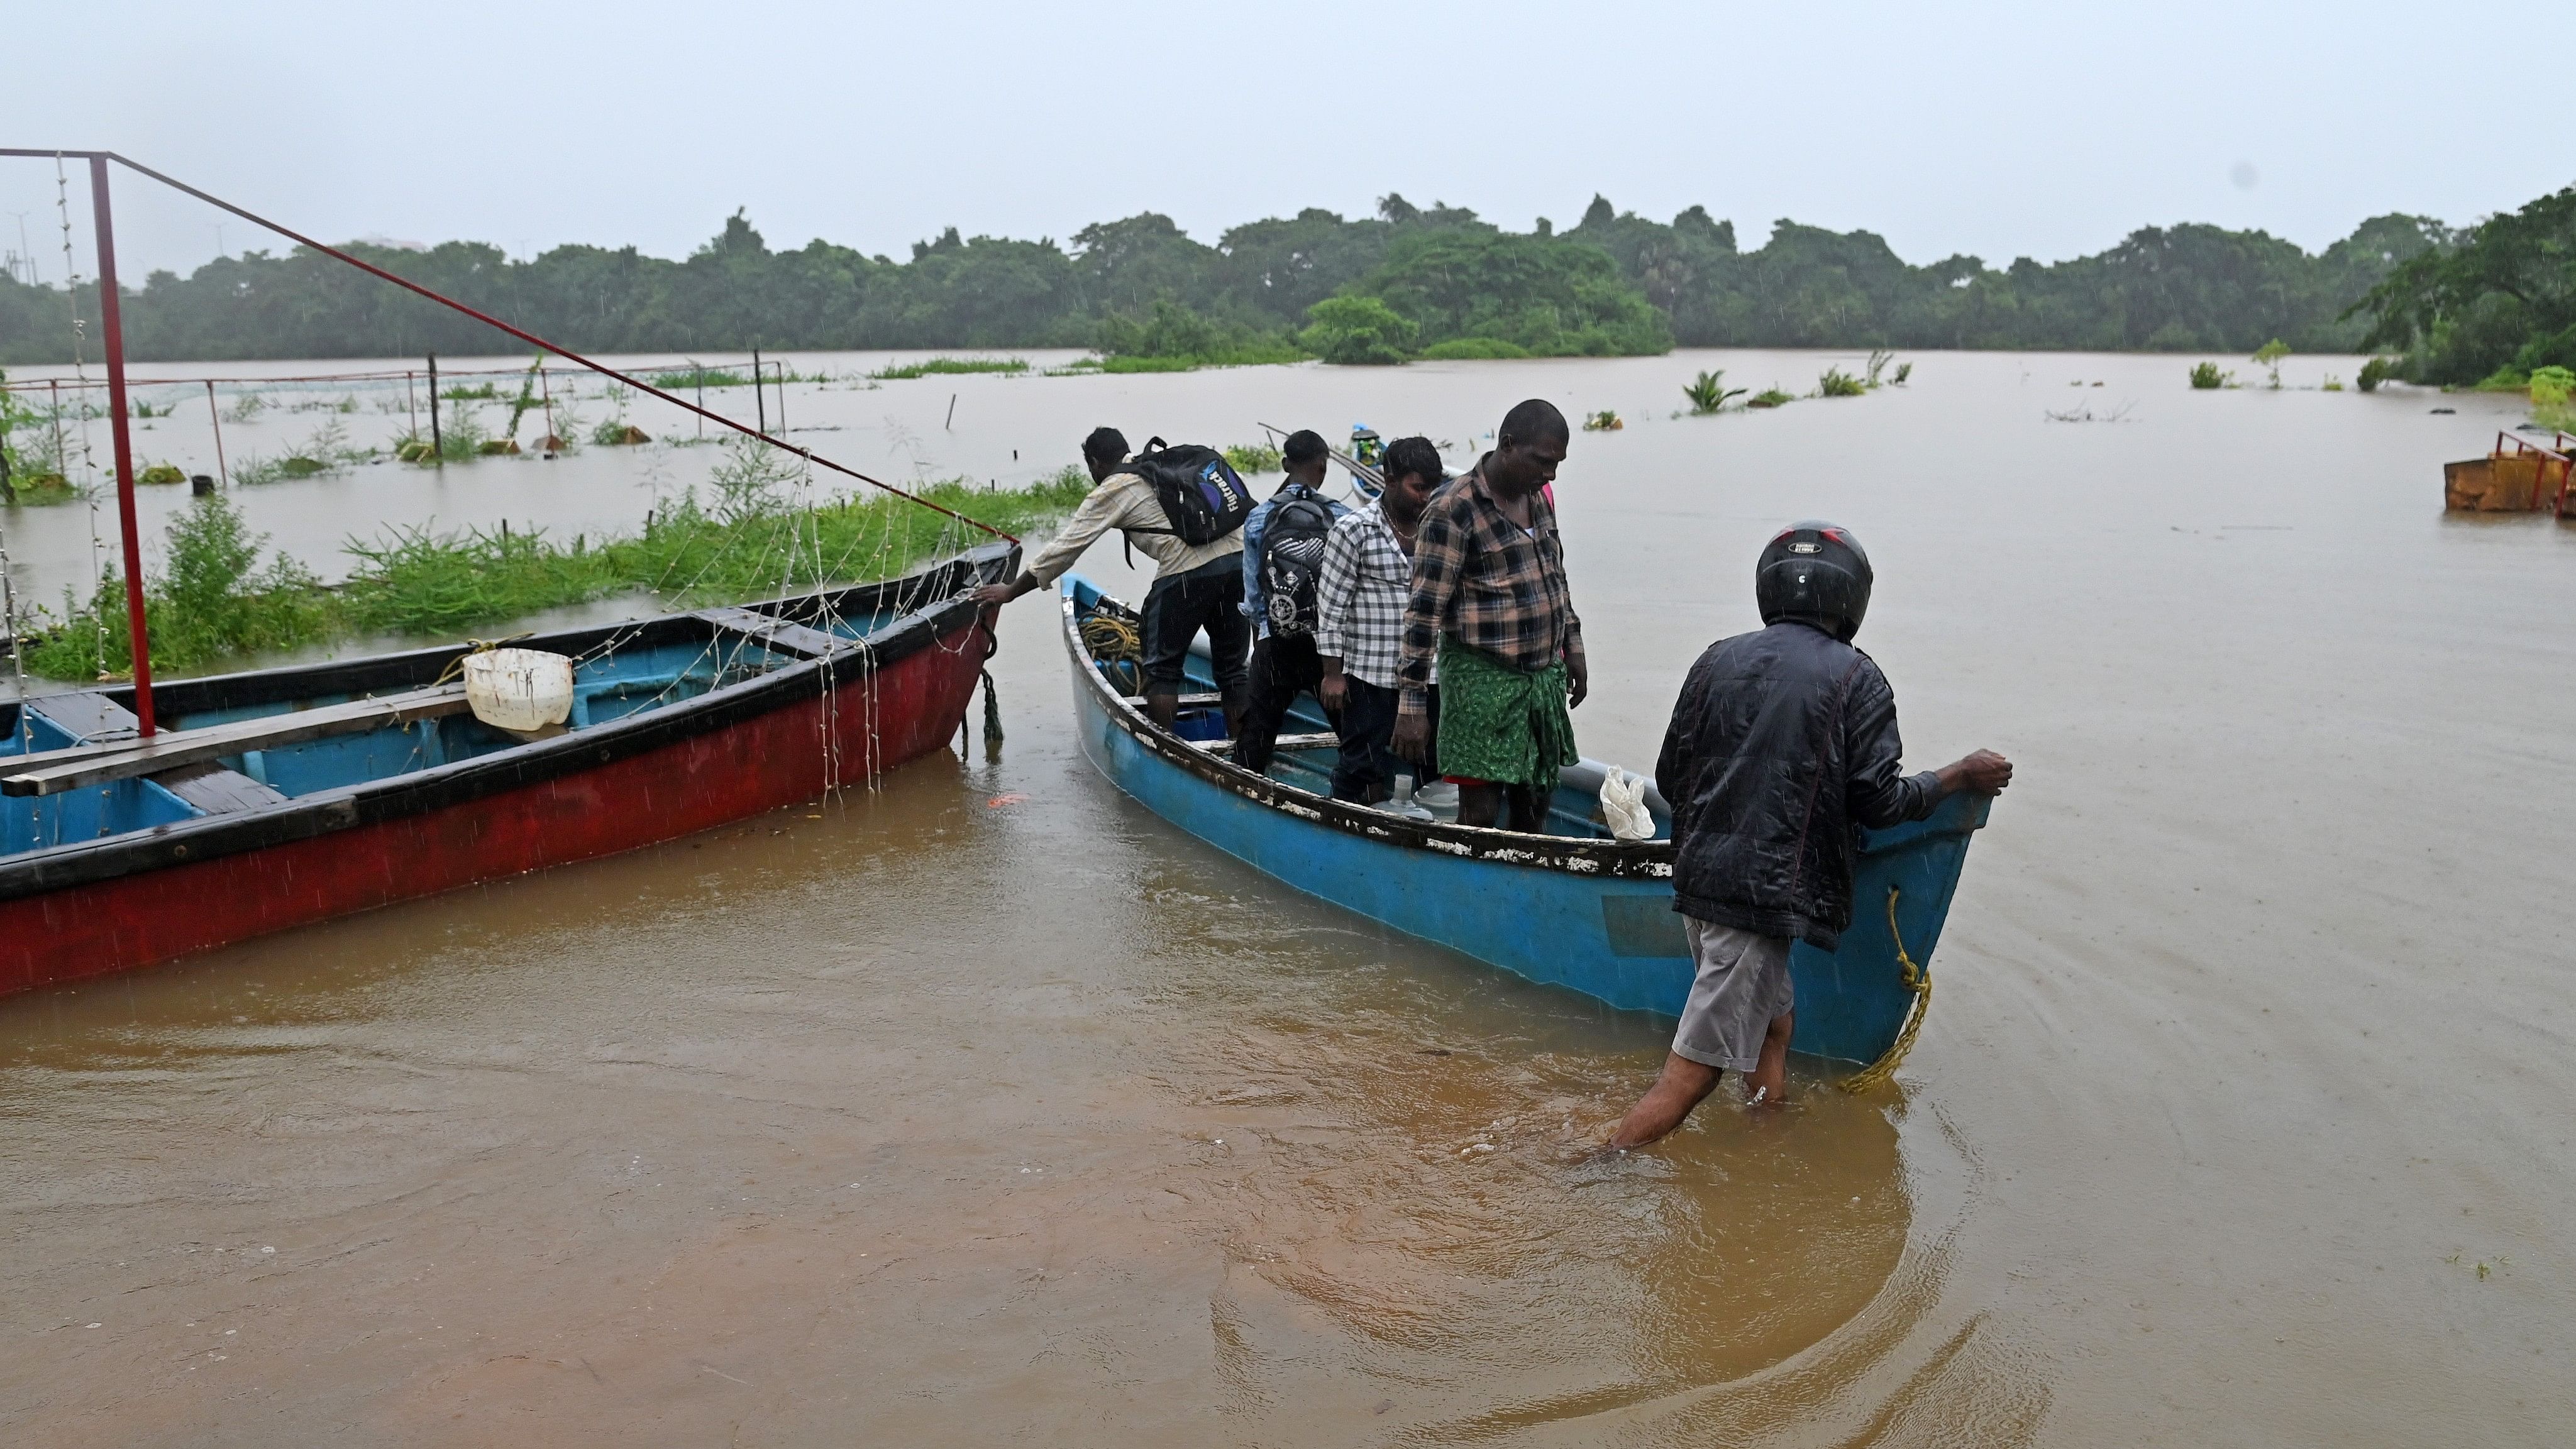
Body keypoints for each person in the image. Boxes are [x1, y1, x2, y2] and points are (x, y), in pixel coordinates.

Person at [1606, 522, 2013, 1147]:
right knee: (1693, 1074)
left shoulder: (1715, 657)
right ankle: (1589, 1163)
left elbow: (1670, 777)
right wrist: (1956, 774)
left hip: (1699, 882)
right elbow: (1878, 801)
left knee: (1775, 1025)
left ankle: (1766, 1126)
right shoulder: (1858, 679)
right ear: (1852, 599)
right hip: (1757, 904)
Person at [971, 426, 1249, 732]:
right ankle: (1246, 757)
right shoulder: (1161, 467)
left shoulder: (1114, 488)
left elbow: (1064, 550)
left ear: (1094, 463)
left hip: (1187, 572)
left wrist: (1010, 591)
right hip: (1239, 564)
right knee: (1233, 672)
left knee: (1162, 673)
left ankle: (1161, 752)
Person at [1391, 399, 1586, 831]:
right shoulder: (1452, 509)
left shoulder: (1537, 500)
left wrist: (1572, 645)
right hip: (1481, 682)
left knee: (1535, 804)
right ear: (1508, 445)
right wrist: (1411, 705)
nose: (1550, 474)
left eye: (1557, 465)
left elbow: (1555, 576)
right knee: (1478, 816)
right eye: (1543, 462)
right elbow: (1423, 615)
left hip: (1540, 677)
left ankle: (1525, 889)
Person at [1315, 435, 1444, 804]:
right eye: (1418, 488)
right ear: (1388, 480)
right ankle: (1341, 829)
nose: (1426, 497)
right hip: (1371, 677)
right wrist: (1333, 674)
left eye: (1433, 488)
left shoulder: (1441, 529)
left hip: (1430, 676)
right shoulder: (1353, 530)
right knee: (1359, 765)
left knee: (1433, 766)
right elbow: (1331, 608)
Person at [1234, 430, 1350, 774]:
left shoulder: (1259, 517)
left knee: (1257, 733)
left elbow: (1254, 595)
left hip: (1277, 642)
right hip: (1328, 647)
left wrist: (1264, 644)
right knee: (1355, 736)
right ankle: (1369, 801)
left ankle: (1241, 801)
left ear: (1285, 464)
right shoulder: (1342, 516)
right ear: (1324, 466)